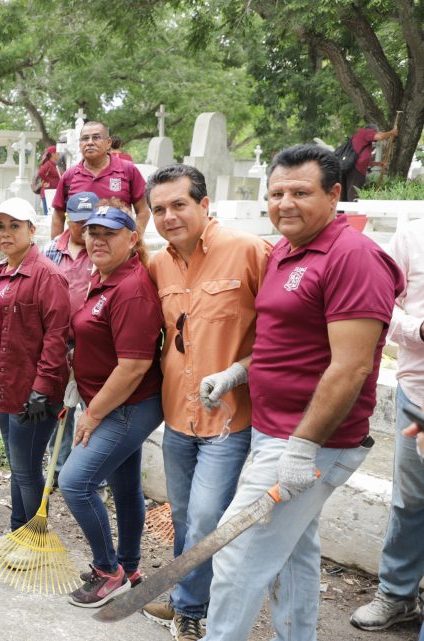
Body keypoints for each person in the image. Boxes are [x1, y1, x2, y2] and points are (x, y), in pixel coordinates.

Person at [204, 144, 404, 640]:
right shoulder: (286, 251)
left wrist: (303, 445)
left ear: (335, 194)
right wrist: (237, 373)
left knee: (236, 556)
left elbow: (352, 366)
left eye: (300, 192)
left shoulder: (353, 258)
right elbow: (288, 343)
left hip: (309, 442)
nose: (285, 203)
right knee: (292, 553)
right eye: (276, 193)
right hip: (276, 434)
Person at [142, 164, 272, 640]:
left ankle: (193, 607)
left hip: (229, 419)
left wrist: (239, 371)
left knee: (205, 517)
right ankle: (186, 597)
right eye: (159, 209)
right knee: (182, 515)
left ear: (203, 204)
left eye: (179, 204)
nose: (169, 216)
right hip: (177, 415)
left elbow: (286, 332)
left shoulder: (249, 251)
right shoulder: (158, 265)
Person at [60, 205, 163, 608]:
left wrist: (94, 411)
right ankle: (130, 565)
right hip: (109, 400)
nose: (98, 240)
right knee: (124, 486)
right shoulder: (102, 278)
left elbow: (134, 366)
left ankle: (109, 571)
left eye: (109, 233)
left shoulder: (131, 289)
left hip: (127, 405)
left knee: (75, 482)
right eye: (92, 233)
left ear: (132, 238)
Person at [0, 197, 69, 557]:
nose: (6, 233)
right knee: (19, 467)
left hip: (35, 392)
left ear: (32, 230)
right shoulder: (0, 272)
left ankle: (36, 542)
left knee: (27, 469)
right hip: (7, 385)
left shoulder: (47, 275)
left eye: (15, 226)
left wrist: (42, 389)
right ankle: (18, 535)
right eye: (0, 226)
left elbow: (57, 336)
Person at [350, 207, 424, 631]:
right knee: (410, 501)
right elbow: (381, 306)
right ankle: (397, 596)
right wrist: (420, 330)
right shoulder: (411, 238)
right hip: (418, 397)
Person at [42, 191, 99, 484]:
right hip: (58, 343)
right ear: (68, 220)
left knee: (91, 409)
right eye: (79, 222)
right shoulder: (52, 249)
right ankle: (57, 469)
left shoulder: (102, 250)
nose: (85, 229)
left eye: (91, 222)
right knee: (60, 408)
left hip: (93, 345)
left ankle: (90, 476)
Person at [51, 121, 150, 239]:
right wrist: (56, 249)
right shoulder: (69, 176)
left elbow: (143, 211)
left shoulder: (128, 170)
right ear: (80, 144)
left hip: (118, 251)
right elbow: (58, 216)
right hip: (80, 251)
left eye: (96, 137)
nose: (90, 142)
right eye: (85, 139)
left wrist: (134, 241)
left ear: (108, 143)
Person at [341, 124, 398, 202]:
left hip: (352, 168)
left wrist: (378, 164)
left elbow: (364, 160)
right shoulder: (366, 132)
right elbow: (379, 137)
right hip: (356, 169)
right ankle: (353, 213)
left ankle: (342, 213)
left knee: (346, 194)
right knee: (353, 193)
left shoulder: (362, 140)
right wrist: (392, 132)